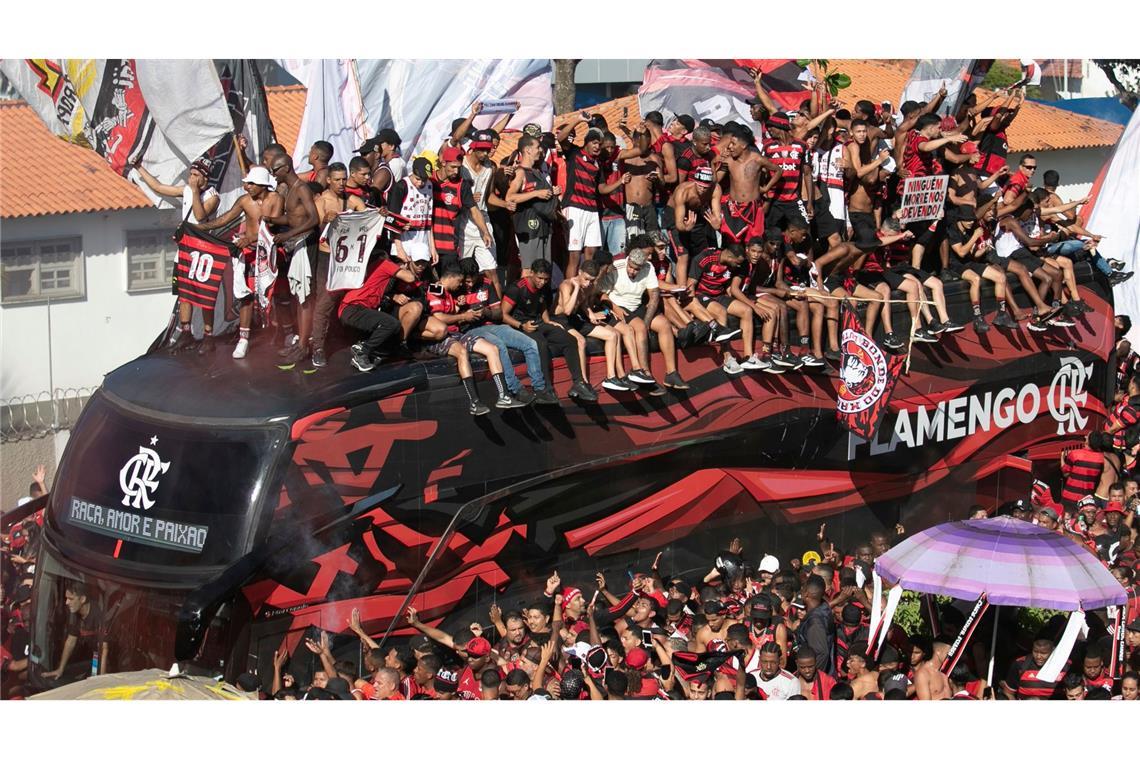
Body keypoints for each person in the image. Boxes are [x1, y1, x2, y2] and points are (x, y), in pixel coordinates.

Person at [188, 165, 284, 359]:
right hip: (248, 253)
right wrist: (201, 228)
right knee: (245, 297)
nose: (247, 187)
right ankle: (243, 340)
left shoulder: (276, 199)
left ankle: (284, 333)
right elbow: (225, 218)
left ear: (262, 185)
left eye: (251, 184)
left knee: (276, 295)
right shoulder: (244, 200)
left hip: (269, 252)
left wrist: (250, 239)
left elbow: (272, 229)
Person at [418, 262, 527, 414]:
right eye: (459, 281)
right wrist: (464, 316)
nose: (461, 285)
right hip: (440, 337)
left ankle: (504, 396)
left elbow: (450, 312)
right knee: (462, 352)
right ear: (451, 277)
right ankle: (475, 402)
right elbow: (438, 317)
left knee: (492, 348)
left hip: (456, 333)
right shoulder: (435, 289)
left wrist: (457, 305)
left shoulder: (449, 292)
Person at [458, 259, 556, 405]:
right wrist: (463, 313)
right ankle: (516, 389)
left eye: (473, 280)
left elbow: (499, 313)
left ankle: (540, 389)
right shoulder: (456, 287)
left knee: (530, 344)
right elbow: (448, 317)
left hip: (492, 325)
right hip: (471, 330)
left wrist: (485, 312)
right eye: (467, 281)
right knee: (499, 346)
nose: (470, 284)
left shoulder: (486, 283)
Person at [500, 259, 598, 402]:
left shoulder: (544, 286)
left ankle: (578, 383)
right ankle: (545, 389)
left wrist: (548, 321)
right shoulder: (517, 288)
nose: (542, 282)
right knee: (541, 344)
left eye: (546, 279)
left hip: (538, 322)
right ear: (531, 273)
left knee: (570, 339)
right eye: (539, 278)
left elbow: (542, 304)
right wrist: (521, 325)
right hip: (519, 325)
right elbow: (503, 315)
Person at [602, 237, 688, 394]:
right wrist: (614, 307)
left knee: (664, 324)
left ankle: (672, 373)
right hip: (619, 306)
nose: (632, 271)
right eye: (631, 267)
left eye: (636, 269)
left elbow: (654, 295)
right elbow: (601, 295)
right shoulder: (616, 267)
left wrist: (648, 321)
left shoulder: (648, 267)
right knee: (640, 327)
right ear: (628, 261)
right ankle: (644, 373)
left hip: (637, 305)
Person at [262, 154, 321, 366]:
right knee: (299, 296)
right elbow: (293, 217)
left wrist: (288, 234)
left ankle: (304, 346)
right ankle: (301, 343)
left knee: (305, 297)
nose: (273, 175)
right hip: (298, 244)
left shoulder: (302, 188)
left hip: (307, 245)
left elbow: (314, 219)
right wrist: (273, 220)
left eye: (275, 171)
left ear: (286, 168)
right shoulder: (290, 190)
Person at [309, 163, 369, 368]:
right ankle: (318, 347)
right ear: (328, 180)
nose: (341, 183)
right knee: (324, 302)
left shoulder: (351, 200)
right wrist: (326, 219)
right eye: (337, 179)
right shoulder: (322, 201)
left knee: (352, 297)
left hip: (348, 258)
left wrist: (379, 214)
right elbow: (317, 225)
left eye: (344, 179)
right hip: (327, 258)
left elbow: (366, 215)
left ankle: (348, 338)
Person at [553, 260, 631, 393]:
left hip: (574, 318)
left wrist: (590, 314)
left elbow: (583, 303)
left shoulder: (589, 286)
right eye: (586, 279)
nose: (588, 283)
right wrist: (577, 288)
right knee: (581, 341)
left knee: (612, 335)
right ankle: (583, 382)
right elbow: (567, 310)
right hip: (560, 319)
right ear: (579, 272)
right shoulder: (566, 285)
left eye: (592, 280)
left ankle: (611, 377)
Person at [338, 255, 420, 372]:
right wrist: (407, 266)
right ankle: (362, 354)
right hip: (353, 308)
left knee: (389, 327)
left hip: (354, 309)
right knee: (391, 324)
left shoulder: (377, 269)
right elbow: (410, 277)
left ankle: (364, 346)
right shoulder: (383, 263)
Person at [561, 129, 625, 278]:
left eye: (599, 144)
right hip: (575, 207)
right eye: (594, 143)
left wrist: (620, 182)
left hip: (592, 210)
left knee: (591, 254)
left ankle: (586, 288)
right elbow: (561, 137)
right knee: (575, 255)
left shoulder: (597, 163)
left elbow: (602, 188)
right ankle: (571, 289)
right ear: (587, 142)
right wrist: (578, 119)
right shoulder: (575, 153)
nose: (597, 147)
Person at [507, 135, 558, 275]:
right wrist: (536, 193)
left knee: (543, 271)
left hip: (544, 226)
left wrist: (552, 193)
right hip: (529, 227)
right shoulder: (520, 172)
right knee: (529, 270)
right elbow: (510, 197)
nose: (540, 150)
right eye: (537, 147)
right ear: (528, 150)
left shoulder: (537, 172)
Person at [41, 583, 106, 682]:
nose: (66, 602)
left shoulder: (99, 615)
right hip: (94, 654)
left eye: (70, 599)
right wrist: (60, 669)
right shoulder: (75, 613)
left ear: (82, 599)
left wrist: (102, 680)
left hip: (107, 657)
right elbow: (71, 641)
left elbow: (104, 649)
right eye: (66, 598)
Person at [796, 576, 836, 676]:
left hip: (818, 679)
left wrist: (812, 678)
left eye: (802, 589)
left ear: (806, 594)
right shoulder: (824, 609)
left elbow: (822, 654)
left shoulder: (815, 622)